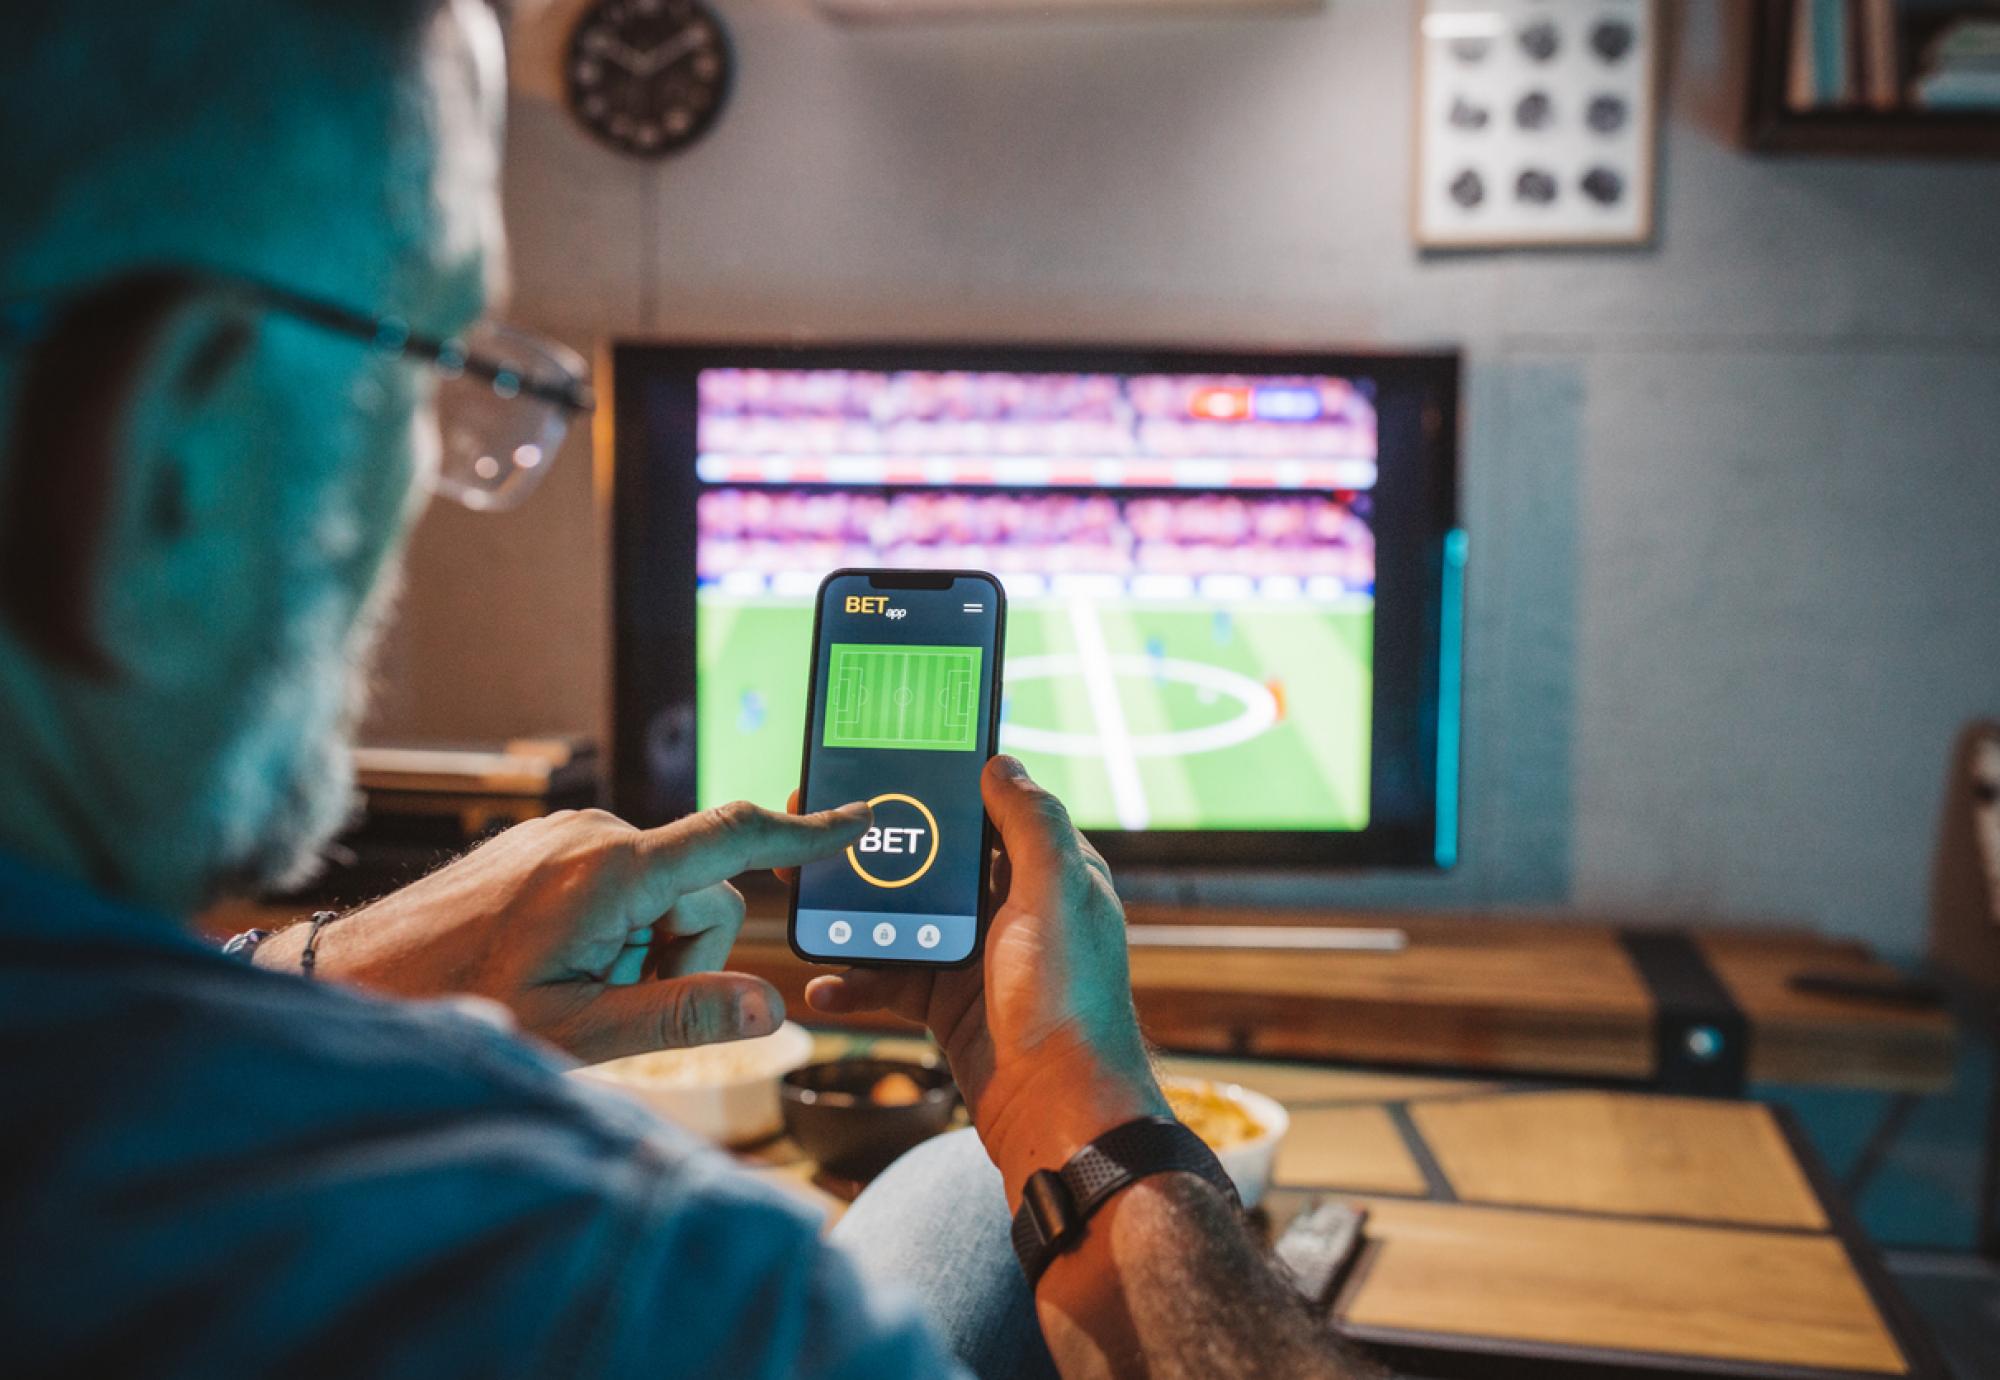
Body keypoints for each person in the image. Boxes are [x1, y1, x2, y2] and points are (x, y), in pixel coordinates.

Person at [0, 3, 1377, 1377]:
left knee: (954, 1197)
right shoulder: (648, 1293)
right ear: (181, 448)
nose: (431, 472)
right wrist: (1091, 1123)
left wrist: (315, 979)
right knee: (977, 1186)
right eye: (418, 367)